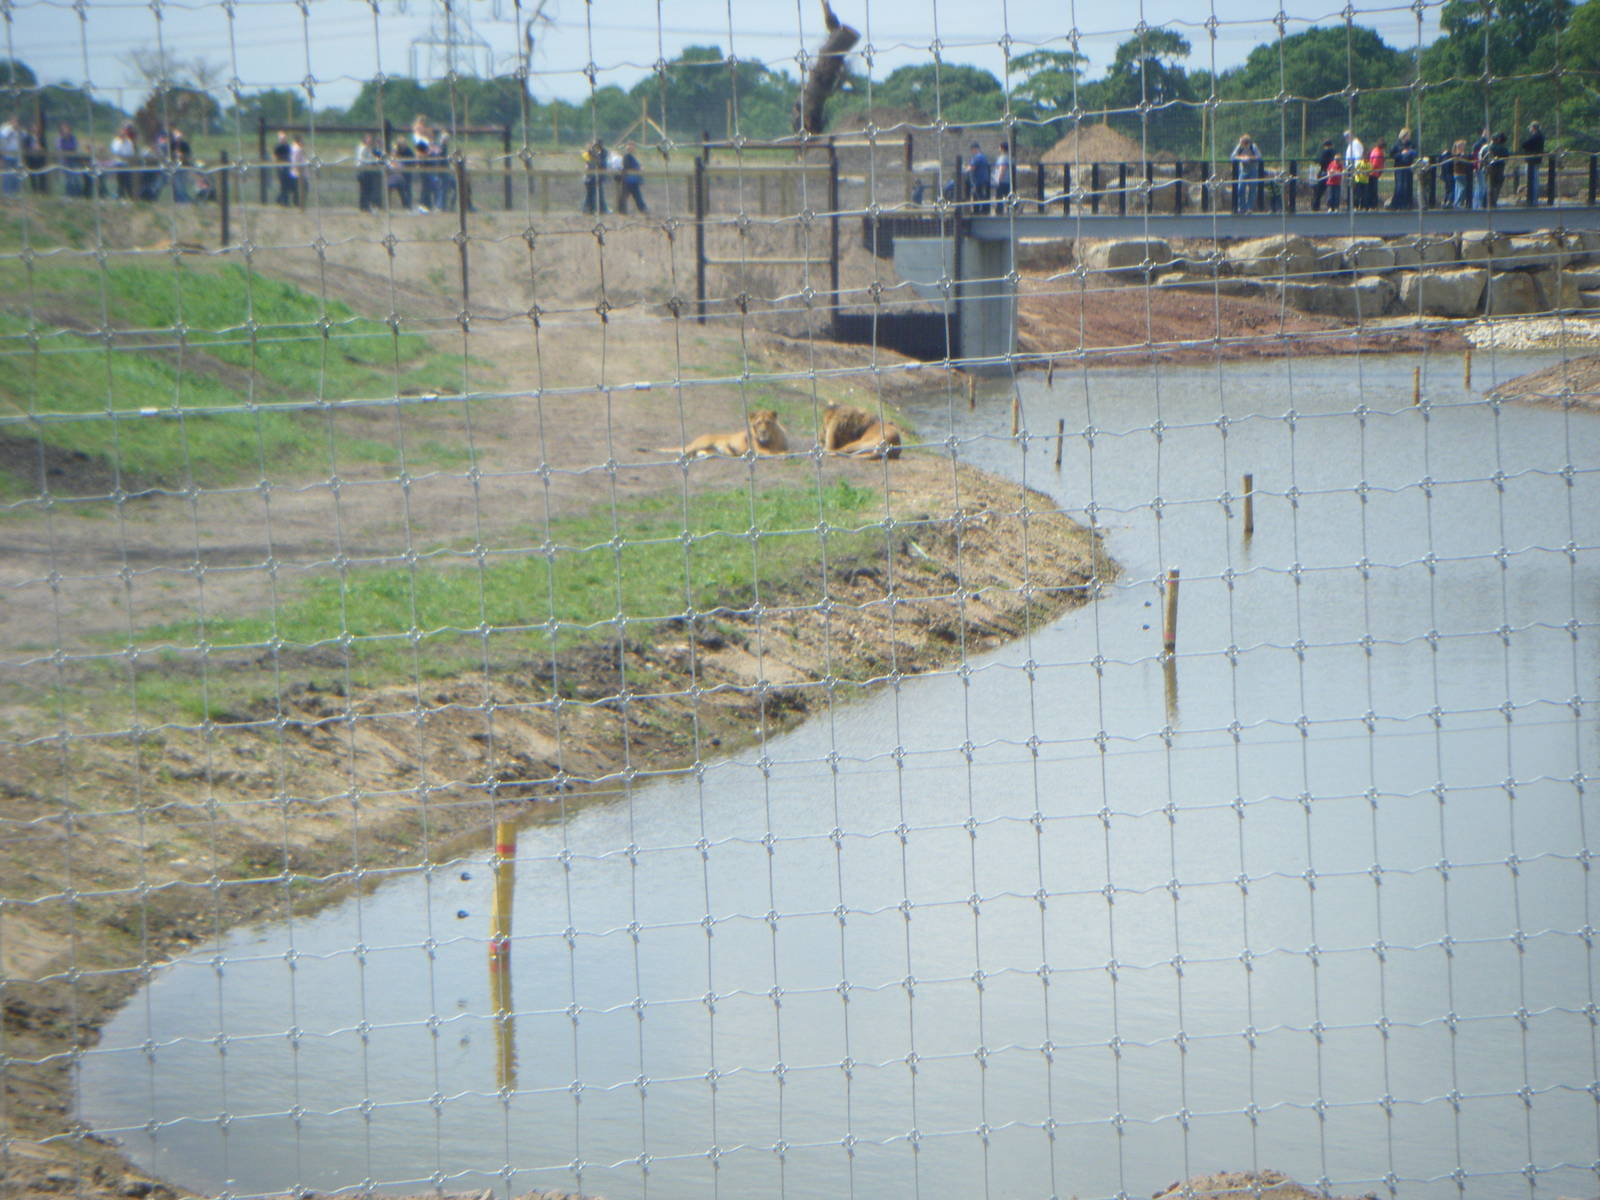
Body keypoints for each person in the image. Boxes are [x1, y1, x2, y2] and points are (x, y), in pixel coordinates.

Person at [1230, 133, 1262, 213]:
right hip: (1243, 170)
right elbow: (1232, 157)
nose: (1240, 144)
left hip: (1253, 169)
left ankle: (1249, 208)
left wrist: (1250, 158)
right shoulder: (1239, 147)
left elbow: (1259, 156)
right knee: (1240, 188)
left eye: (1242, 142)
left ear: (1246, 142)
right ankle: (1242, 207)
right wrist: (1241, 158)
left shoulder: (1253, 147)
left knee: (1252, 189)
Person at [355, 132, 383, 212]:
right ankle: (364, 206)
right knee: (364, 190)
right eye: (368, 138)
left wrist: (379, 147)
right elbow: (362, 159)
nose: (370, 140)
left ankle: (366, 206)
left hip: (369, 171)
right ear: (364, 139)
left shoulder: (371, 148)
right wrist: (373, 161)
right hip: (363, 171)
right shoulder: (363, 148)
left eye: (370, 138)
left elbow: (378, 156)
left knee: (368, 189)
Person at [1389, 129, 1416, 209]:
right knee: (1399, 186)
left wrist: (1410, 152)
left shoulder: (1411, 144)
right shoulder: (1397, 144)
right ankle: (1396, 204)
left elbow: (1414, 152)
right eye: (1408, 135)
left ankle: (1407, 204)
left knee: (1408, 185)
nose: (1409, 137)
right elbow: (1392, 155)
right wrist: (1401, 154)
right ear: (1404, 136)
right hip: (1399, 168)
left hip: (1408, 167)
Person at [617, 140, 647, 213]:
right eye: (630, 146)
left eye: (633, 146)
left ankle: (642, 208)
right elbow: (627, 166)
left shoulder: (632, 156)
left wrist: (639, 167)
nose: (631, 148)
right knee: (626, 195)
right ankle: (641, 208)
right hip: (628, 179)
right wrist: (638, 168)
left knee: (635, 195)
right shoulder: (627, 156)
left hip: (633, 180)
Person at [110, 123, 138, 201]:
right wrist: (121, 142)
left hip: (126, 163)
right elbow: (116, 151)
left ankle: (131, 197)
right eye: (123, 132)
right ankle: (120, 196)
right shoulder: (116, 141)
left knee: (128, 181)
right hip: (118, 163)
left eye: (125, 132)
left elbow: (131, 153)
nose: (123, 134)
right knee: (120, 181)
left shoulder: (129, 142)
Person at [57, 121, 84, 197]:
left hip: (74, 160)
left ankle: (77, 194)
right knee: (68, 178)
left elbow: (75, 147)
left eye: (67, 129)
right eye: (64, 129)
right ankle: (69, 194)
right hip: (65, 161)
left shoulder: (73, 138)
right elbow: (60, 149)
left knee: (76, 177)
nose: (66, 131)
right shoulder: (60, 139)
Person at [1521, 120, 1546, 205]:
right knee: (1535, 180)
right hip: (1537, 160)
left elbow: (1524, 144)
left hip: (1532, 161)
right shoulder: (1541, 136)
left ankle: (1532, 200)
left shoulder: (1536, 136)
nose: (1530, 129)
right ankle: (1534, 199)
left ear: (1534, 128)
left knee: (1532, 180)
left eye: (1531, 128)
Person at [582, 140, 609, 213]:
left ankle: (600, 209)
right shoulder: (589, 153)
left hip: (598, 176)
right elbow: (589, 162)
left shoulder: (603, 153)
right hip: (591, 177)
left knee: (597, 194)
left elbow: (601, 163)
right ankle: (590, 209)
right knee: (591, 194)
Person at [388, 137, 414, 210]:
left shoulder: (409, 152)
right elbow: (391, 163)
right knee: (389, 188)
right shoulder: (395, 151)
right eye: (400, 144)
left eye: (403, 144)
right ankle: (387, 207)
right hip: (394, 176)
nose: (401, 146)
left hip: (405, 175)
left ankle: (408, 206)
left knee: (406, 191)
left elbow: (411, 163)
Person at [965, 141, 991, 214]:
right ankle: (984, 210)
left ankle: (977, 211)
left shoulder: (977, 157)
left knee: (977, 195)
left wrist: (965, 170)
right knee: (982, 195)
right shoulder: (983, 157)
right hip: (984, 179)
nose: (971, 152)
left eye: (972, 150)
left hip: (979, 180)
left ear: (975, 149)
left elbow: (972, 167)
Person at [1485, 131, 1509, 208]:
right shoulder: (1503, 148)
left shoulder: (1488, 147)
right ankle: (1493, 202)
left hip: (1490, 169)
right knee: (1497, 186)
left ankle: (1488, 202)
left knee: (1490, 186)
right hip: (1499, 169)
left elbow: (1484, 157)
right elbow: (1507, 156)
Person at [1312, 139, 1335, 211]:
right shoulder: (1334, 152)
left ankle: (1315, 206)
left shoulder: (1325, 152)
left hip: (1324, 172)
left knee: (1318, 191)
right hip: (1332, 172)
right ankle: (1332, 206)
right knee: (1331, 190)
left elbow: (1321, 161)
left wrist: (1317, 160)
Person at [0, 114, 20, 197]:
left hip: (16, 155)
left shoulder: (17, 130)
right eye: (14, 121)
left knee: (15, 173)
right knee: (7, 173)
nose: (16, 123)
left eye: (17, 121)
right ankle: (7, 192)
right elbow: (2, 138)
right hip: (7, 155)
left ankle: (15, 192)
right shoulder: (6, 128)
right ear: (11, 121)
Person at [273, 130, 295, 205]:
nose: (283, 139)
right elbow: (275, 157)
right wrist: (279, 165)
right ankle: (284, 201)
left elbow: (290, 156)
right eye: (282, 138)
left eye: (284, 138)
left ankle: (280, 199)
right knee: (283, 185)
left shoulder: (287, 146)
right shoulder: (278, 147)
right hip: (281, 168)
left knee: (288, 184)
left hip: (287, 167)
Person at [1451, 138, 1473, 209]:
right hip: (1459, 174)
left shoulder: (1461, 155)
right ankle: (1457, 203)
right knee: (1462, 189)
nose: (1464, 147)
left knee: (1458, 188)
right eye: (1463, 146)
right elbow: (1459, 162)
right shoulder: (1458, 155)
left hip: (1460, 174)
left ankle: (1457, 202)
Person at [288, 133, 307, 207]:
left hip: (299, 172)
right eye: (302, 140)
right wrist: (298, 170)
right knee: (300, 189)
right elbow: (295, 160)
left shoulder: (296, 148)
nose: (303, 142)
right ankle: (298, 205)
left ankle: (300, 204)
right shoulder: (297, 149)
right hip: (298, 173)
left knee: (300, 189)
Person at [1366, 139, 1385, 209]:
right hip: (1373, 174)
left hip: (1371, 173)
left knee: (1370, 190)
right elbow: (1375, 164)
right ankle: (1373, 205)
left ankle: (1370, 205)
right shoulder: (1379, 152)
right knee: (1373, 191)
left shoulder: (1374, 150)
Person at [993, 140, 1012, 206]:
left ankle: (999, 210)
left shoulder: (1003, 158)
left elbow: (1002, 169)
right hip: (1006, 181)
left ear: (1002, 148)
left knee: (999, 198)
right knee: (1007, 197)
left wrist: (998, 180)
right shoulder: (1008, 157)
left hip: (1002, 181)